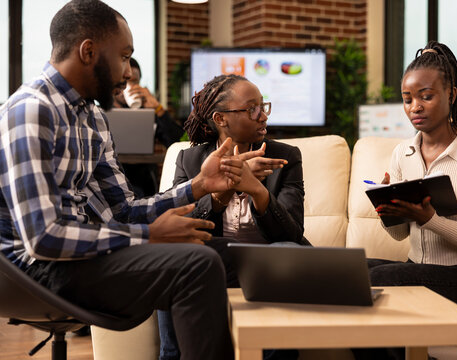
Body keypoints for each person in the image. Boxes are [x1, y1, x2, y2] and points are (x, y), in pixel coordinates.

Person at [0, 1, 262, 359]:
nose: (127, 73)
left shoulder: (91, 117)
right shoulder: (32, 110)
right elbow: (43, 238)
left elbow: (121, 211)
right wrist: (150, 236)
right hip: (32, 271)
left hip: (79, 258)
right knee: (195, 264)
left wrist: (199, 184)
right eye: (124, 57)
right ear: (88, 51)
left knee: (235, 256)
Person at [353, 41, 457, 360]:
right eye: (408, 99)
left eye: (426, 96)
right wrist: (388, 211)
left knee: (379, 279)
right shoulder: (402, 153)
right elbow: (400, 235)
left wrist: (430, 219)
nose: (415, 107)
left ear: (450, 94)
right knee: (351, 272)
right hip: (418, 268)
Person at [157, 74, 309, 360]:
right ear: (220, 119)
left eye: (264, 106)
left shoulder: (286, 156)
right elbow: (177, 223)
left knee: (285, 252)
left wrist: (256, 190)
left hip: (270, 262)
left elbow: (292, 232)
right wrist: (220, 192)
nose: (263, 115)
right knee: (174, 254)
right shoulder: (190, 161)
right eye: (252, 109)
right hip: (214, 265)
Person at [113, 57, 183, 197]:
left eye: (134, 81)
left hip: (143, 186)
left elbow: (179, 142)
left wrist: (158, 109)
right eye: (124, 80)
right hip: (112, 183)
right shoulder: (99, 112)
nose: (128, 86)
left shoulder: (149, 113)